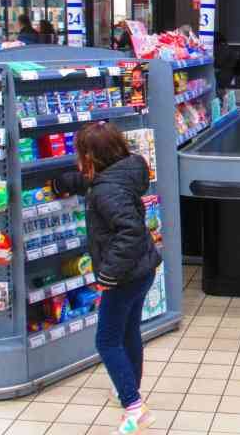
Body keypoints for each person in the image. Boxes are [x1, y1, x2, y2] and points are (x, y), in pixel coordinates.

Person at [53, 123, 160, 434]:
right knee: (128, 333)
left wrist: (108, 275)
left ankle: (134, 408)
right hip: (143, 270)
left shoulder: (106, 190)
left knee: (107, 340)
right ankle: (129, 389)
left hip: (123, 277)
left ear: (90, 157)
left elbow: (129, 231)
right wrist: (63, 183)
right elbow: (95, 186)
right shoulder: (123, 173)